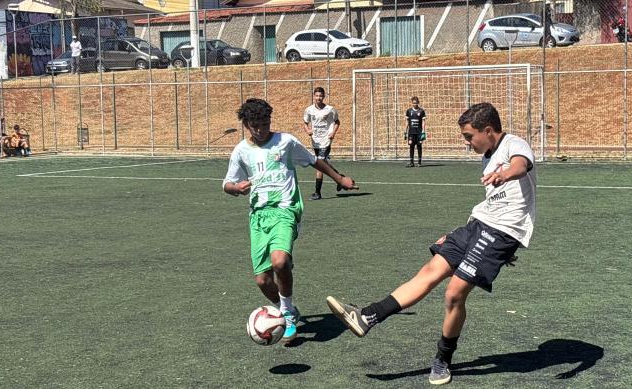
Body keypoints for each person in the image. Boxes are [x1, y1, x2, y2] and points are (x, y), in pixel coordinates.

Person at [326, 102, 537, 385]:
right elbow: (492, 204)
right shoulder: (487, 155)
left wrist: (504, 173)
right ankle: (366, 316)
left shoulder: (513, 144)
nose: (467, 143)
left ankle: (442, 360)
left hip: (501, 233)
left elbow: (521, 166)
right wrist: (458, 234)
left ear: (488, 130)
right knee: (429, 271)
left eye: (469, 136)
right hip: (477, 225)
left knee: (453, 294)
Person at [224, 98, 358, 343]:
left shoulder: (285, 141)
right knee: (262, 280)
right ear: (246, 124)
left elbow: (314, 161)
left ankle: (285, 313)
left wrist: (339, 179)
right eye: (256, 125)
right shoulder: (241, 151)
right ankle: (286, 308)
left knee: (280, 262)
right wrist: (236, 188)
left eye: (266, 123)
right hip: (258, 216)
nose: (262, 128)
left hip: (286, 209)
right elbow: (227, 184)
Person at [303, 86, 344, 200]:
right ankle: (339, 178)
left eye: (321, 95)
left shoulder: (330, 109)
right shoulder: (309, 110)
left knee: (319, 165)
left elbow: (337, 122)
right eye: (316, 95)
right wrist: (308, 130)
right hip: (315, 140)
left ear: (324, 96)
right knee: (323, 163)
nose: (318, 98)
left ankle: (317, 193)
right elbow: (305, 122)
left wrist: (333, 133)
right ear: (314, 96)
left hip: (326, 141)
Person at [405, 96, 427, 167]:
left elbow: (423, 122)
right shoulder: (409, 111)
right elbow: (407, 122)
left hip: (419, 132)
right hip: (411, 132)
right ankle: (411, 162)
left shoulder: (421, 111)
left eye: (416, 103)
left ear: (418, 103)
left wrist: (423, 132)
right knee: (411, 146)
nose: (415, 104)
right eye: (413, 103)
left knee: (419, 146)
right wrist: (405, 131)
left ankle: (419, 162)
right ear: (412, 103)